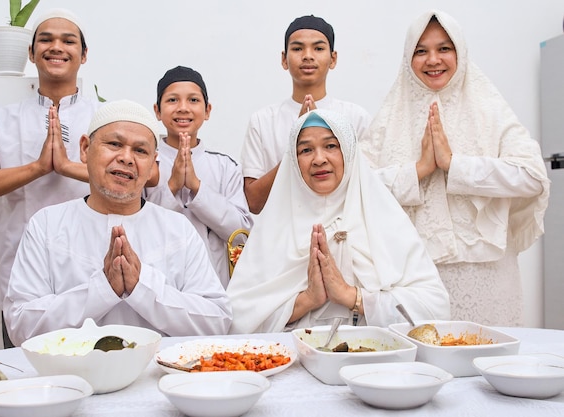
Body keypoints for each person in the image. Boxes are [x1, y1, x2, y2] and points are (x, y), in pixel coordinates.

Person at [358, 10, 550, 326]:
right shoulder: (389, 118)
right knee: (419, 371)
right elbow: (358, 190)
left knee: (486, 366)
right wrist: (418, 170)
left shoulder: (490, 109)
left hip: (488, 277)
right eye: (421, 51)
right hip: (411, 279)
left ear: (460, 51)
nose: (433, 59)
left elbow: (531, 176)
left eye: (444, 48)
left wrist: (454, 166)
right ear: (408, 57)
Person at [3, 100, 233, 346]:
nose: (126, 158)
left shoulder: (177, 228)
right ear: (85, 148)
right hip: (74, 380)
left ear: (153, 165)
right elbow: (21, 326)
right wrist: (102, 290)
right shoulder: (47, 225)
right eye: (114, 144)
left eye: (140, 151)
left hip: (160, 380)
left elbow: (217, 320)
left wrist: (142, 287)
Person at [226, 109, 450, 334]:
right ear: (293, 161)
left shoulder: (384, 218)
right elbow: (238, 318)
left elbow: (435, 308)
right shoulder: (274, 229)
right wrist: (308, 299)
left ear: (349, 152)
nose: (319, 159)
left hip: (378, 359)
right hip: (294, 356)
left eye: (331, 146)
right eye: (306, 150)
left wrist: (351, 296)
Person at [0, 9, 97, 348]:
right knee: (26, 378)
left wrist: (67, 166)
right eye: (45, 39)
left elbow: (145, 177)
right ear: (31, 54)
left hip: (92, 272)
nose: (56, 47)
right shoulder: (3, 120)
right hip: (23, 275)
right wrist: (36, 168)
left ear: (84, 54)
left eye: (68, 40)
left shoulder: (102, 117)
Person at [240, 14, 372, 214]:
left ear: (333, 58)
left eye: (318, 48)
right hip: (282, 236)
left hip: (344, 233)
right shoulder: (263, 120)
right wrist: (295, 144)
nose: (308, 55)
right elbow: (254, 202)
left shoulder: (355, 117)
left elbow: (370, 190)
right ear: (284, 59)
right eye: (297, 48)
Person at [144, 66, 253, 288]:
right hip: (156, 280)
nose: (183, 108)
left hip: (213, 283)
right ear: (157, 110)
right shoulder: (144, 160)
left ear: (207, 110)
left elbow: (241, 234)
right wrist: (172, 186)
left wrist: (197, 188)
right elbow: (140, 226)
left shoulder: (224, 166)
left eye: (193, 100)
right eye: (172, 100)